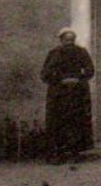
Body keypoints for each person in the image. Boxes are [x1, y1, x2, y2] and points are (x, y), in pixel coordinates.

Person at [41, 27, 95, 163]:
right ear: (61, 40)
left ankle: (75, 153)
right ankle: (58, 154)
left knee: (77, 121)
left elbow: (90, 70)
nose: (69, 42)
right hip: (59, 94)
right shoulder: (54, 53)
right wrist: (61, 80)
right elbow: (45, 74)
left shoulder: (81, 52)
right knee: (58, 122)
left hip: (76, 94)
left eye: (71, 39)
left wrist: (77, 79)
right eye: (67, 39)